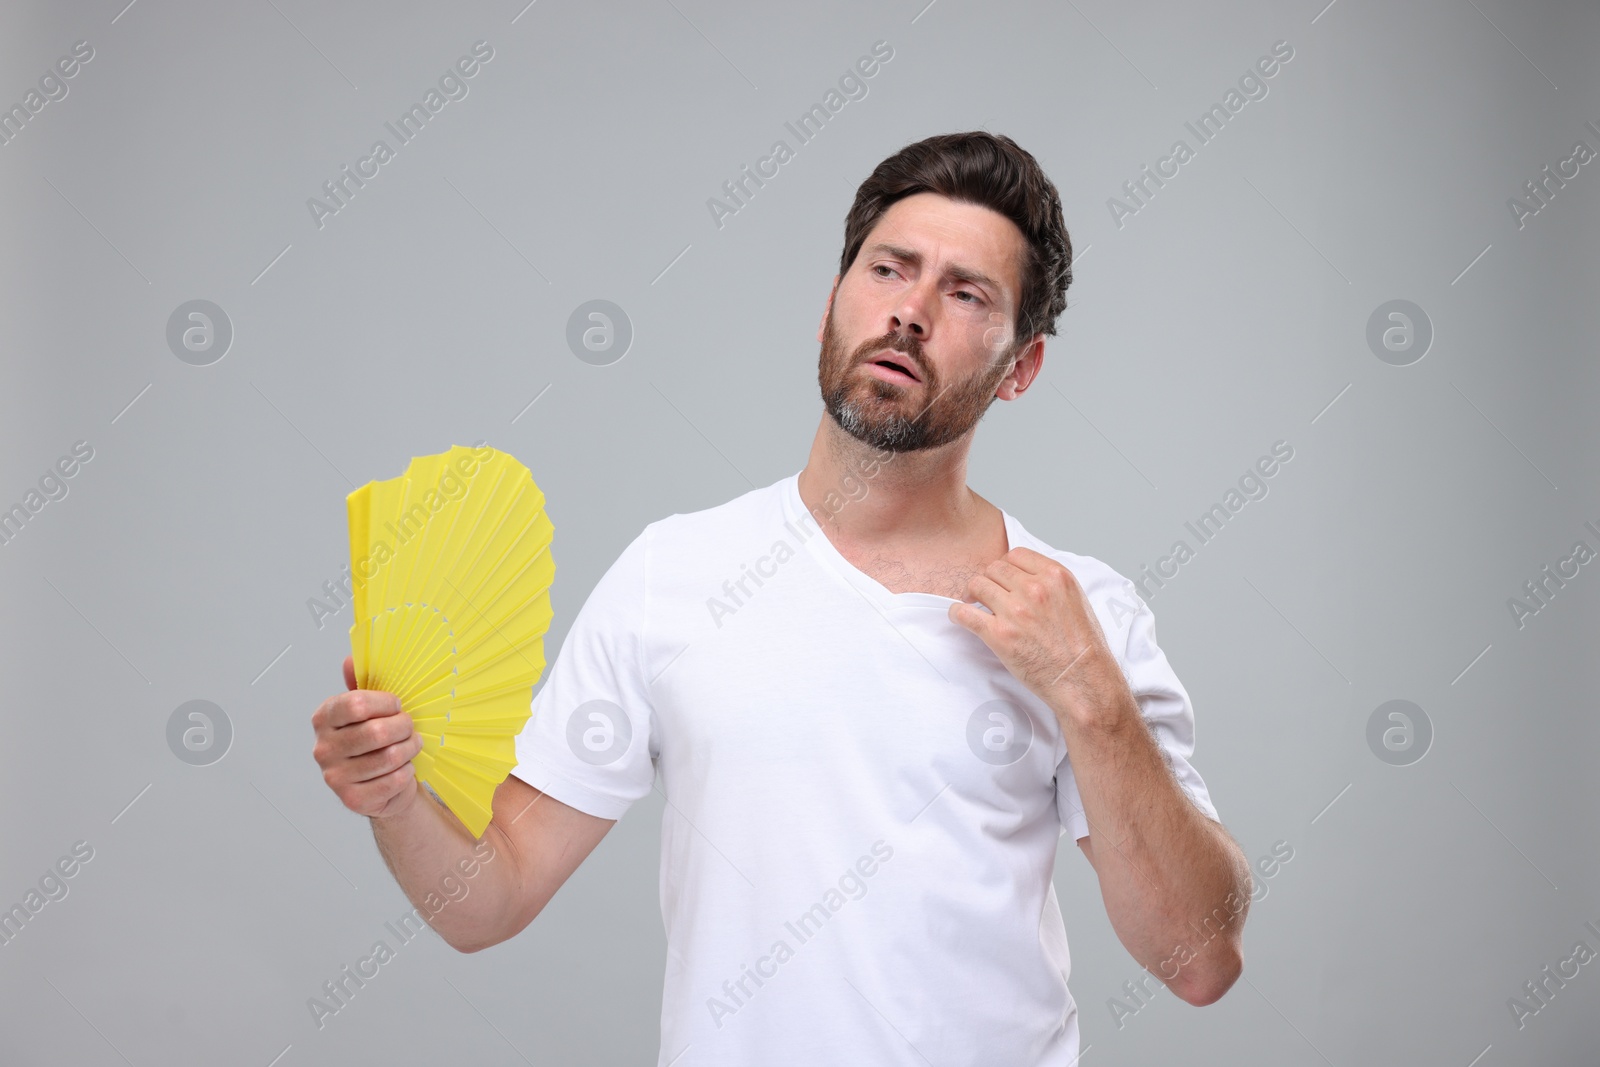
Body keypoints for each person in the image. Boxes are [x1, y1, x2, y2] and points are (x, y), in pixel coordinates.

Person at [312, 130, 1251, 1065]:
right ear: (831, 304)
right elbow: (489, 899)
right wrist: (394, 797)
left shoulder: (1082, 613)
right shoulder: (672, 573)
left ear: (1021, 368)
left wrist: (1092, 696)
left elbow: (1199, 958)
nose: (911, 312)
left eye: (966, 294)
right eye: (889, 269)